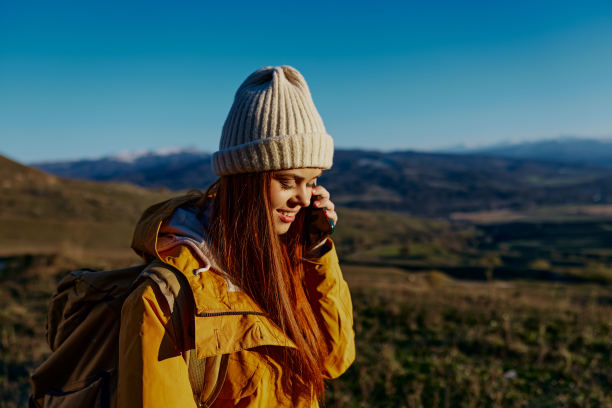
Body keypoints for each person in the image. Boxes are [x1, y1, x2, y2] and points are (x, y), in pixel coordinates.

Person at [117, 65, 355, 407]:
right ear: (245, 182)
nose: (303, 199)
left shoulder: (286, 259)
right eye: (288, 182)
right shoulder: (164, 298)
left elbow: (334, 359)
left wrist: (315, 253)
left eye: (312, 182)